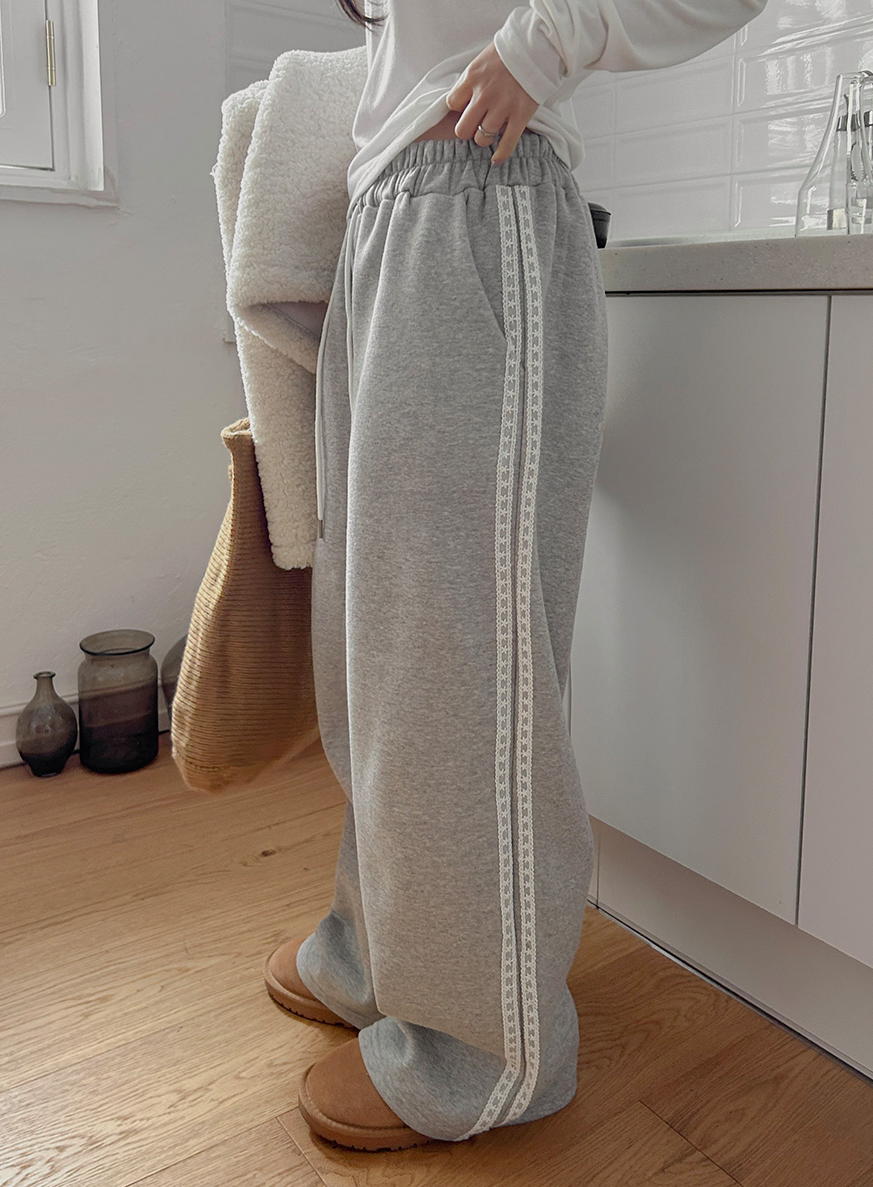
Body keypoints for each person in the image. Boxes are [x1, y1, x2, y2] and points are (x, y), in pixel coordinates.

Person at [263, 0, 768, 1152]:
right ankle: (377, 952)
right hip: (393, 224)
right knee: (377, 649)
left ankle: (483, 1047)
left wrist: (543, 44)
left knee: (454, 660)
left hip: (475, 203)